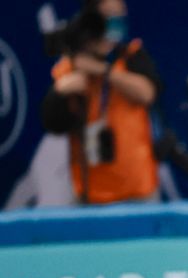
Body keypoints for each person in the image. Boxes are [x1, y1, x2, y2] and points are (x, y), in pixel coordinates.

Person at [40, 0, 161, 204]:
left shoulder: (130, 55)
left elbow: (146, 93)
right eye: (109, 14)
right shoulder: (71, 67)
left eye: (120, 14)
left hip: (138, 190)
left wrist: (103, 70)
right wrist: (61, 92)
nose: (114, 22)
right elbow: (54, 123)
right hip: (91, 193)